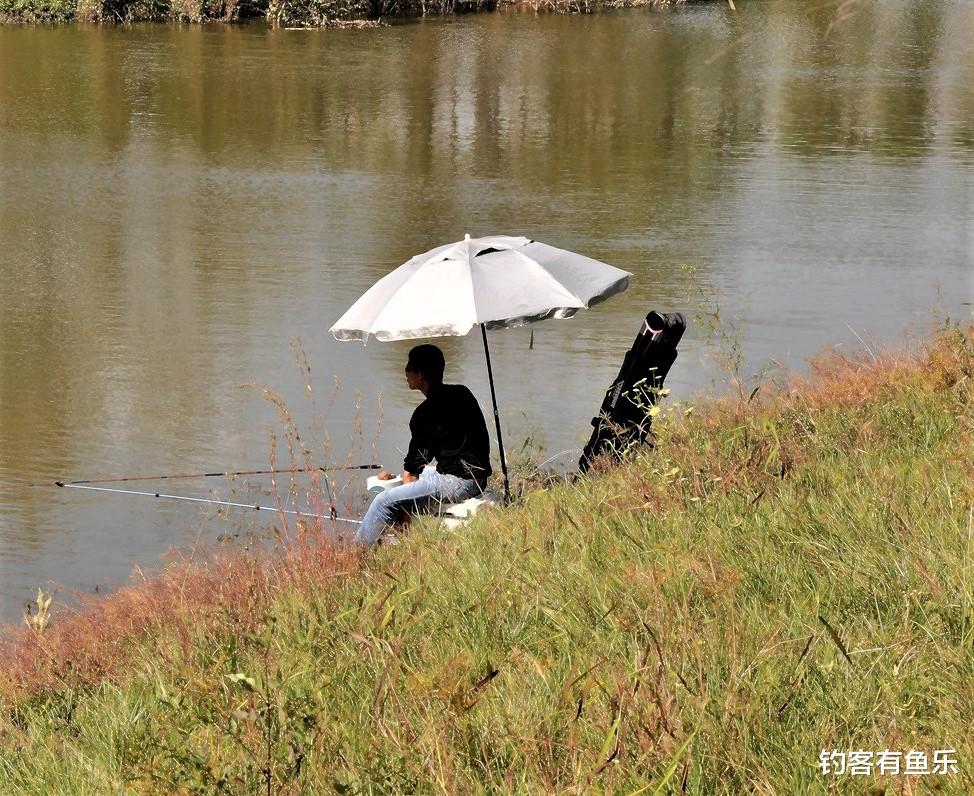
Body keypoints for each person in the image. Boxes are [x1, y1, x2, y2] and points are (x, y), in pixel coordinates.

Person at [353, 344, 492, 545]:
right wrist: (403, 479)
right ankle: (386, 536)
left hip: (458, 483)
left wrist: (404, 509)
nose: (405, 373)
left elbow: (413, 471)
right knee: (411, 477)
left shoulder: (425, 414)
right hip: (478, 479)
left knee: (382, 502)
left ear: (421, 375)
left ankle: (356, 554)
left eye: (409, 367)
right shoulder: (462, 393)